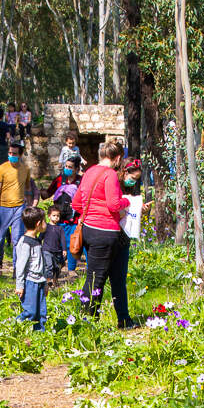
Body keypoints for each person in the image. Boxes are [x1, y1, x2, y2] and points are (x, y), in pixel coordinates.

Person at [73, 141, 132, 329]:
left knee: (107, 275)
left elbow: (76, 204)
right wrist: (127, 201)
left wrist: (90, 213)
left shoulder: (89, 172)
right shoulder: (110, 175)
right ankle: (86, 322)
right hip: (105, 232)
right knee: (95, 279)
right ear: (117, 158)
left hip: (89, 230)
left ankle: (123, 319)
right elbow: (114, 204)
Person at [0, 140, 31, 269]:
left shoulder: (25, 169)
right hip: (3, 208)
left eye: (14, 153)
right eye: (9, 153)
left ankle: (16, 268)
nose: (11, 155)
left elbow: (28, 188)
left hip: (19, 208)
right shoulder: (1, 169)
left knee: (17, 240)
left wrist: (29, 205)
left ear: (20, 154)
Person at [14, 205, 49, 331]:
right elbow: (20, 266)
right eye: (45, 221)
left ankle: (39, 335)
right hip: (29, 282)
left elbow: (41, 263)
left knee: (41, 312)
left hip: (39, 281)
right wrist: (20, 285)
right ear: (38, 224)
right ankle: (14, 327)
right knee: (30, 312)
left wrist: (45, 283)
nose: (46, 224)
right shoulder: (25, 242)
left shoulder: (37, 241)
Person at [43, 203, 68, 284]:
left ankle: (55, 279)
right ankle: (48, 280)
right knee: (49, 265)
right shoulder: (46, 227)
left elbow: (63, 239)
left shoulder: (60, 228)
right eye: (54, 215)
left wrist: (64, 249)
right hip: (47, 250)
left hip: (57, 251)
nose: (56, 217)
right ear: (49, 216)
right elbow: (40, 237)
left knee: (57, 267)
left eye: (58, 216)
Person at [120, 158, 145, 240]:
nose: (134, 182)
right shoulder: (115, 183)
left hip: (125, 229)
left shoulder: (130, 187)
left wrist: (141, 208)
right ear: (125, 172)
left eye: (136, 179)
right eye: (133, 178)